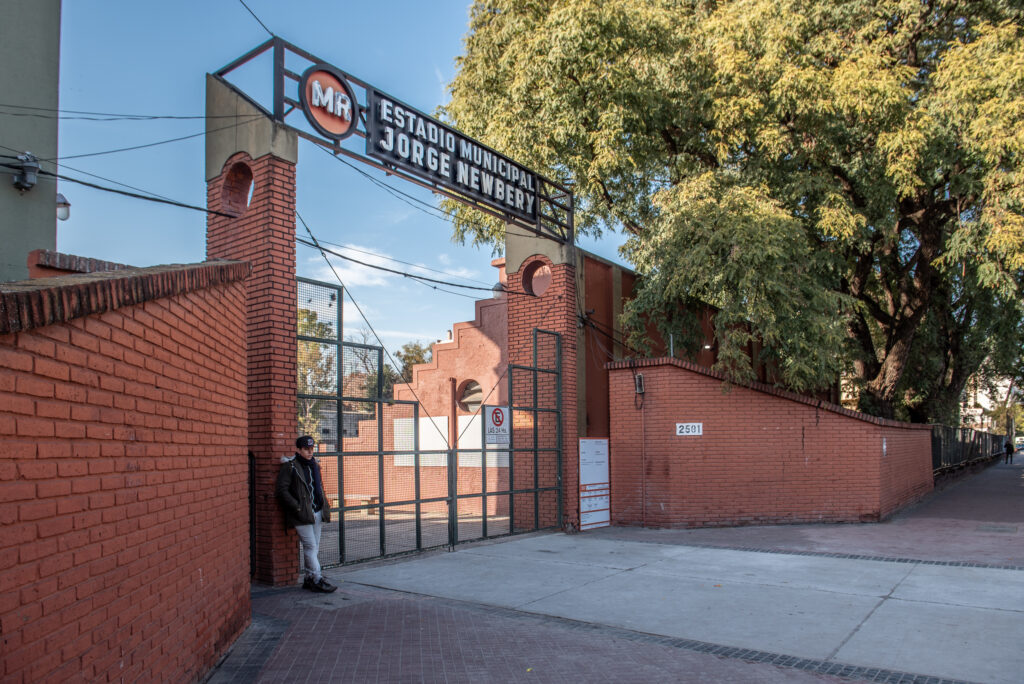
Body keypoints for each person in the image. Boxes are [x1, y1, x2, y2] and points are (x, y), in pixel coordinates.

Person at [275, 435, 337, 593]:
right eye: (306, 449)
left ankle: (309, 578)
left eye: (311, 449)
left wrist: (324, 505)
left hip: (316, 511)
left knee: (314, 547)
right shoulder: (291, 467)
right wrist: (297, 507)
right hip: (301, 514)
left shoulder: (314, 465)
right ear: (299, 450)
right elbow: (281, 491)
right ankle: (317, 578)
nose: (310, 452)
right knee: (310, 546)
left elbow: (319, 487)